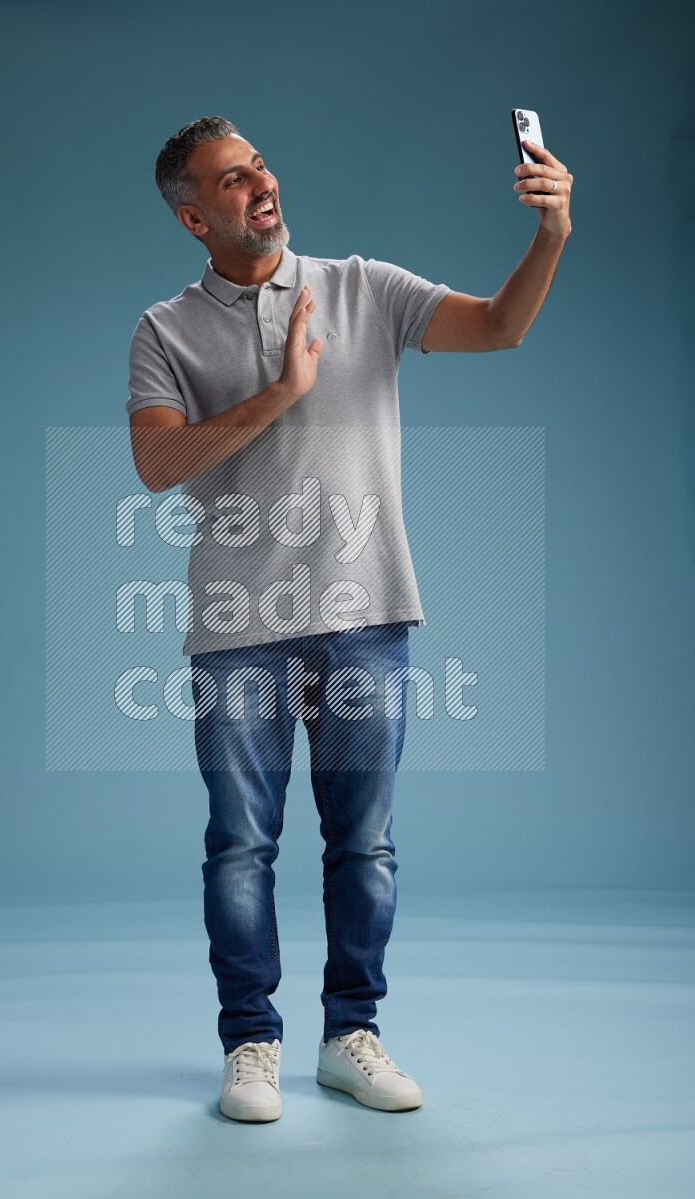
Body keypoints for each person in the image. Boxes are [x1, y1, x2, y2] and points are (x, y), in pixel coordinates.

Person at [126, 116, 573, 1123]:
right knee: (240, 844)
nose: (258, 183)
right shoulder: (164, 329)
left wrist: (548, 235)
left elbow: (500, 326)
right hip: (238, 622)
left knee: (361, 843)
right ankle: (250, 1042)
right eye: (229, 180)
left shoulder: (362, 287)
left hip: (366, 610)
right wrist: (286, 388)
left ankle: (347, 1035)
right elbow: (155, 466)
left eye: (258, 164)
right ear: (195, 216)